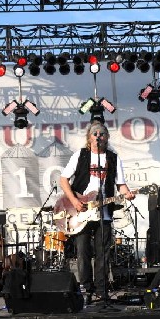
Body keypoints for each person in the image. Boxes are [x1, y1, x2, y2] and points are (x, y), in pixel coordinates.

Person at [59, 121, 135, 303]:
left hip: (104, 213)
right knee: (83, 252)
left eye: (102, 134)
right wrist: (75, 201)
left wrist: (128, 194)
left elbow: (121, 185)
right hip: (82, 212)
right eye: (95, 134)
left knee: (103, 253)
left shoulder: (113, 158)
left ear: (106, 137)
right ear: (89, 137)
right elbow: (63, 180)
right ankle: (86, 288)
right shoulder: (81, 155)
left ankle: (102, 290)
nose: (98, 136)